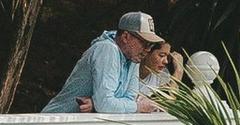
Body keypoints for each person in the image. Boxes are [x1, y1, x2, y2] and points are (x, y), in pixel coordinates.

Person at [47, 7, 175, 113]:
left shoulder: (133, 58)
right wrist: (138, 107)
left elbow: (128, 98)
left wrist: (96, 103)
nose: (148, 49)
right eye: (145, 43)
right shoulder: (107, 49)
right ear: (126, 37)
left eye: (151, 45)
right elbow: (106, 104)